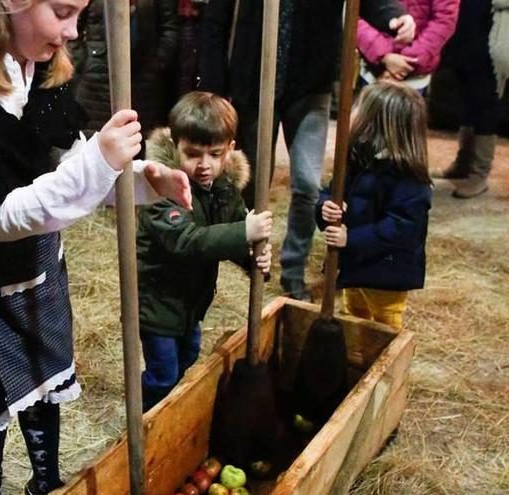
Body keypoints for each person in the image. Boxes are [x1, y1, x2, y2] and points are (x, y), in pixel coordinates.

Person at [0, 1, 192, 493]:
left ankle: (46, 479)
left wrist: (139, 179)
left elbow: (69, 162)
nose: (72, 32)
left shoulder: (43, 73)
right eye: (62, 11)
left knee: (43, 375)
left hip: (39, 266)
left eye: (81, 14)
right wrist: (100, 161)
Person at [198, 0, 416, 301]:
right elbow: (216, 20)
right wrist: (214, 85)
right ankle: (249, 253)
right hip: (254, 80)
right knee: (254, 180)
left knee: (308, 184)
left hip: (310, 83)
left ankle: (293, 269)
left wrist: (394, 16)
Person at [136, 92, 273, 411]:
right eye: (193, 154)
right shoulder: (159, 190)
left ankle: (172, 415)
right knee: (163, 375)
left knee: (188, 360)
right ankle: (146, 421)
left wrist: (253, 259)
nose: (204, 165)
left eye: (215, 154)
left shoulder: (223, 188)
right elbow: (189, 240)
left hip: (191, 303)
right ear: (174, 145)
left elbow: (235, 228)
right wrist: (244, 232)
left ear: (231, 148)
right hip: (157, 304)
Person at [316, 82, 432, 331]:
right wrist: (325, 206)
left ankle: (384, 364)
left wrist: (352, 238)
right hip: (354, 264)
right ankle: (357, 360)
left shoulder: (408, 178)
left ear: (376, 122)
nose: (353, 113)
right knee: (353, 315)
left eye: (360, 108)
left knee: (384, 323)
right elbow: (331, 190)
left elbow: (402, 228)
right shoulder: (357, 158)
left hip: (386, 273)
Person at [431, 0, 507, 198]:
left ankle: (479, 173)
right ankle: (464, 162)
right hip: (466, 29)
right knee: (467, 96)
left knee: (486, 98)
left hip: (493, 30)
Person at [71, 0, 179, 135]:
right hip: (95, 78)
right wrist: (82, 60)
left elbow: (169, 28)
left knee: (137, 140)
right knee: (93, 139)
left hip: (144, 79)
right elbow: (73, 22)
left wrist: (158, 62)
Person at [356, 0, 459, 91]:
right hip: (374, 69)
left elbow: (445, 20)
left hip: (414, 76)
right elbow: (352, 13)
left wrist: (407, 62)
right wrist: (383, 55)